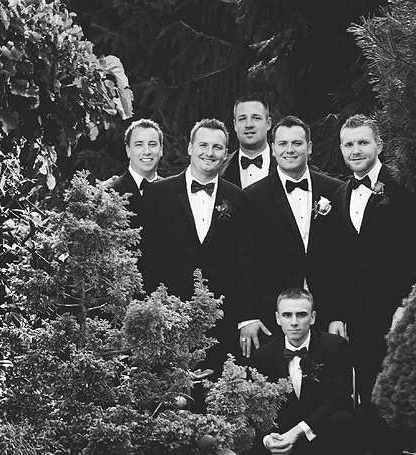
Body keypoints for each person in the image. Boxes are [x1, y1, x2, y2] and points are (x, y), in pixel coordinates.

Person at [323, 114, 416, 455]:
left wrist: (409, 306)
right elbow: (338, 263)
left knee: (397, 399)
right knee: (368, 398)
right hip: (358, 319)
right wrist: (336, 314)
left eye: (362, 143)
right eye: (348, 144)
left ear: (379, 146)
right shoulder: (338, 195)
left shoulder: (403, 189)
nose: (355, 151)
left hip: (395, 315)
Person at [138, 118, 257, 377]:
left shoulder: (237, 197)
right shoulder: (158, 195)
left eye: (217, 147)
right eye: (203, 145)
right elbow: (145, 258)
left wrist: (245, 316)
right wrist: (150, 311)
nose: (209, 153)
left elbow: (245, 262)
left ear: (226, 154)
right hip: (167, 316)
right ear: (190, 148)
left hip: (220, 319)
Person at [239, 116, 343, 354]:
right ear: (273, 148)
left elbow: (339, 259)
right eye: (283, 144)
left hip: (325, 312)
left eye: (296, 143)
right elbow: (245, 262)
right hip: (273, 316)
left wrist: (338, 314)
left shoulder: (333, 190)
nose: (290, 150)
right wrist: (248, 317)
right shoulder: (253, 197)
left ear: (309, 147)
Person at [251, 288, 363, 455]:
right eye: (287, 315)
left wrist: (298, 432)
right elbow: (256, 407)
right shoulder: (263, 356)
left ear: (312, 317)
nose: (294, 322)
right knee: (253, 436)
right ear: (277, 318)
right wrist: (269, 440)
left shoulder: (335, 347)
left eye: (301, 315)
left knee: (347, 421)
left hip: (322, 432)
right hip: (284, 439)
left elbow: (339, 398)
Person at [100, 118, 163, 216]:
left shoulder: (174, 193)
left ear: (161, 150)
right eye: (139, 145)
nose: (147, 151)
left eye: (152, 144)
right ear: (128, 150)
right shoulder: (108, 193)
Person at [221, 95, 276, 188]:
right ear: (235, 125)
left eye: (256, 118)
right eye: (242, 119)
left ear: (268, 124)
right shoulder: (220, 169)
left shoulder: (284, 165)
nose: (249, 125)